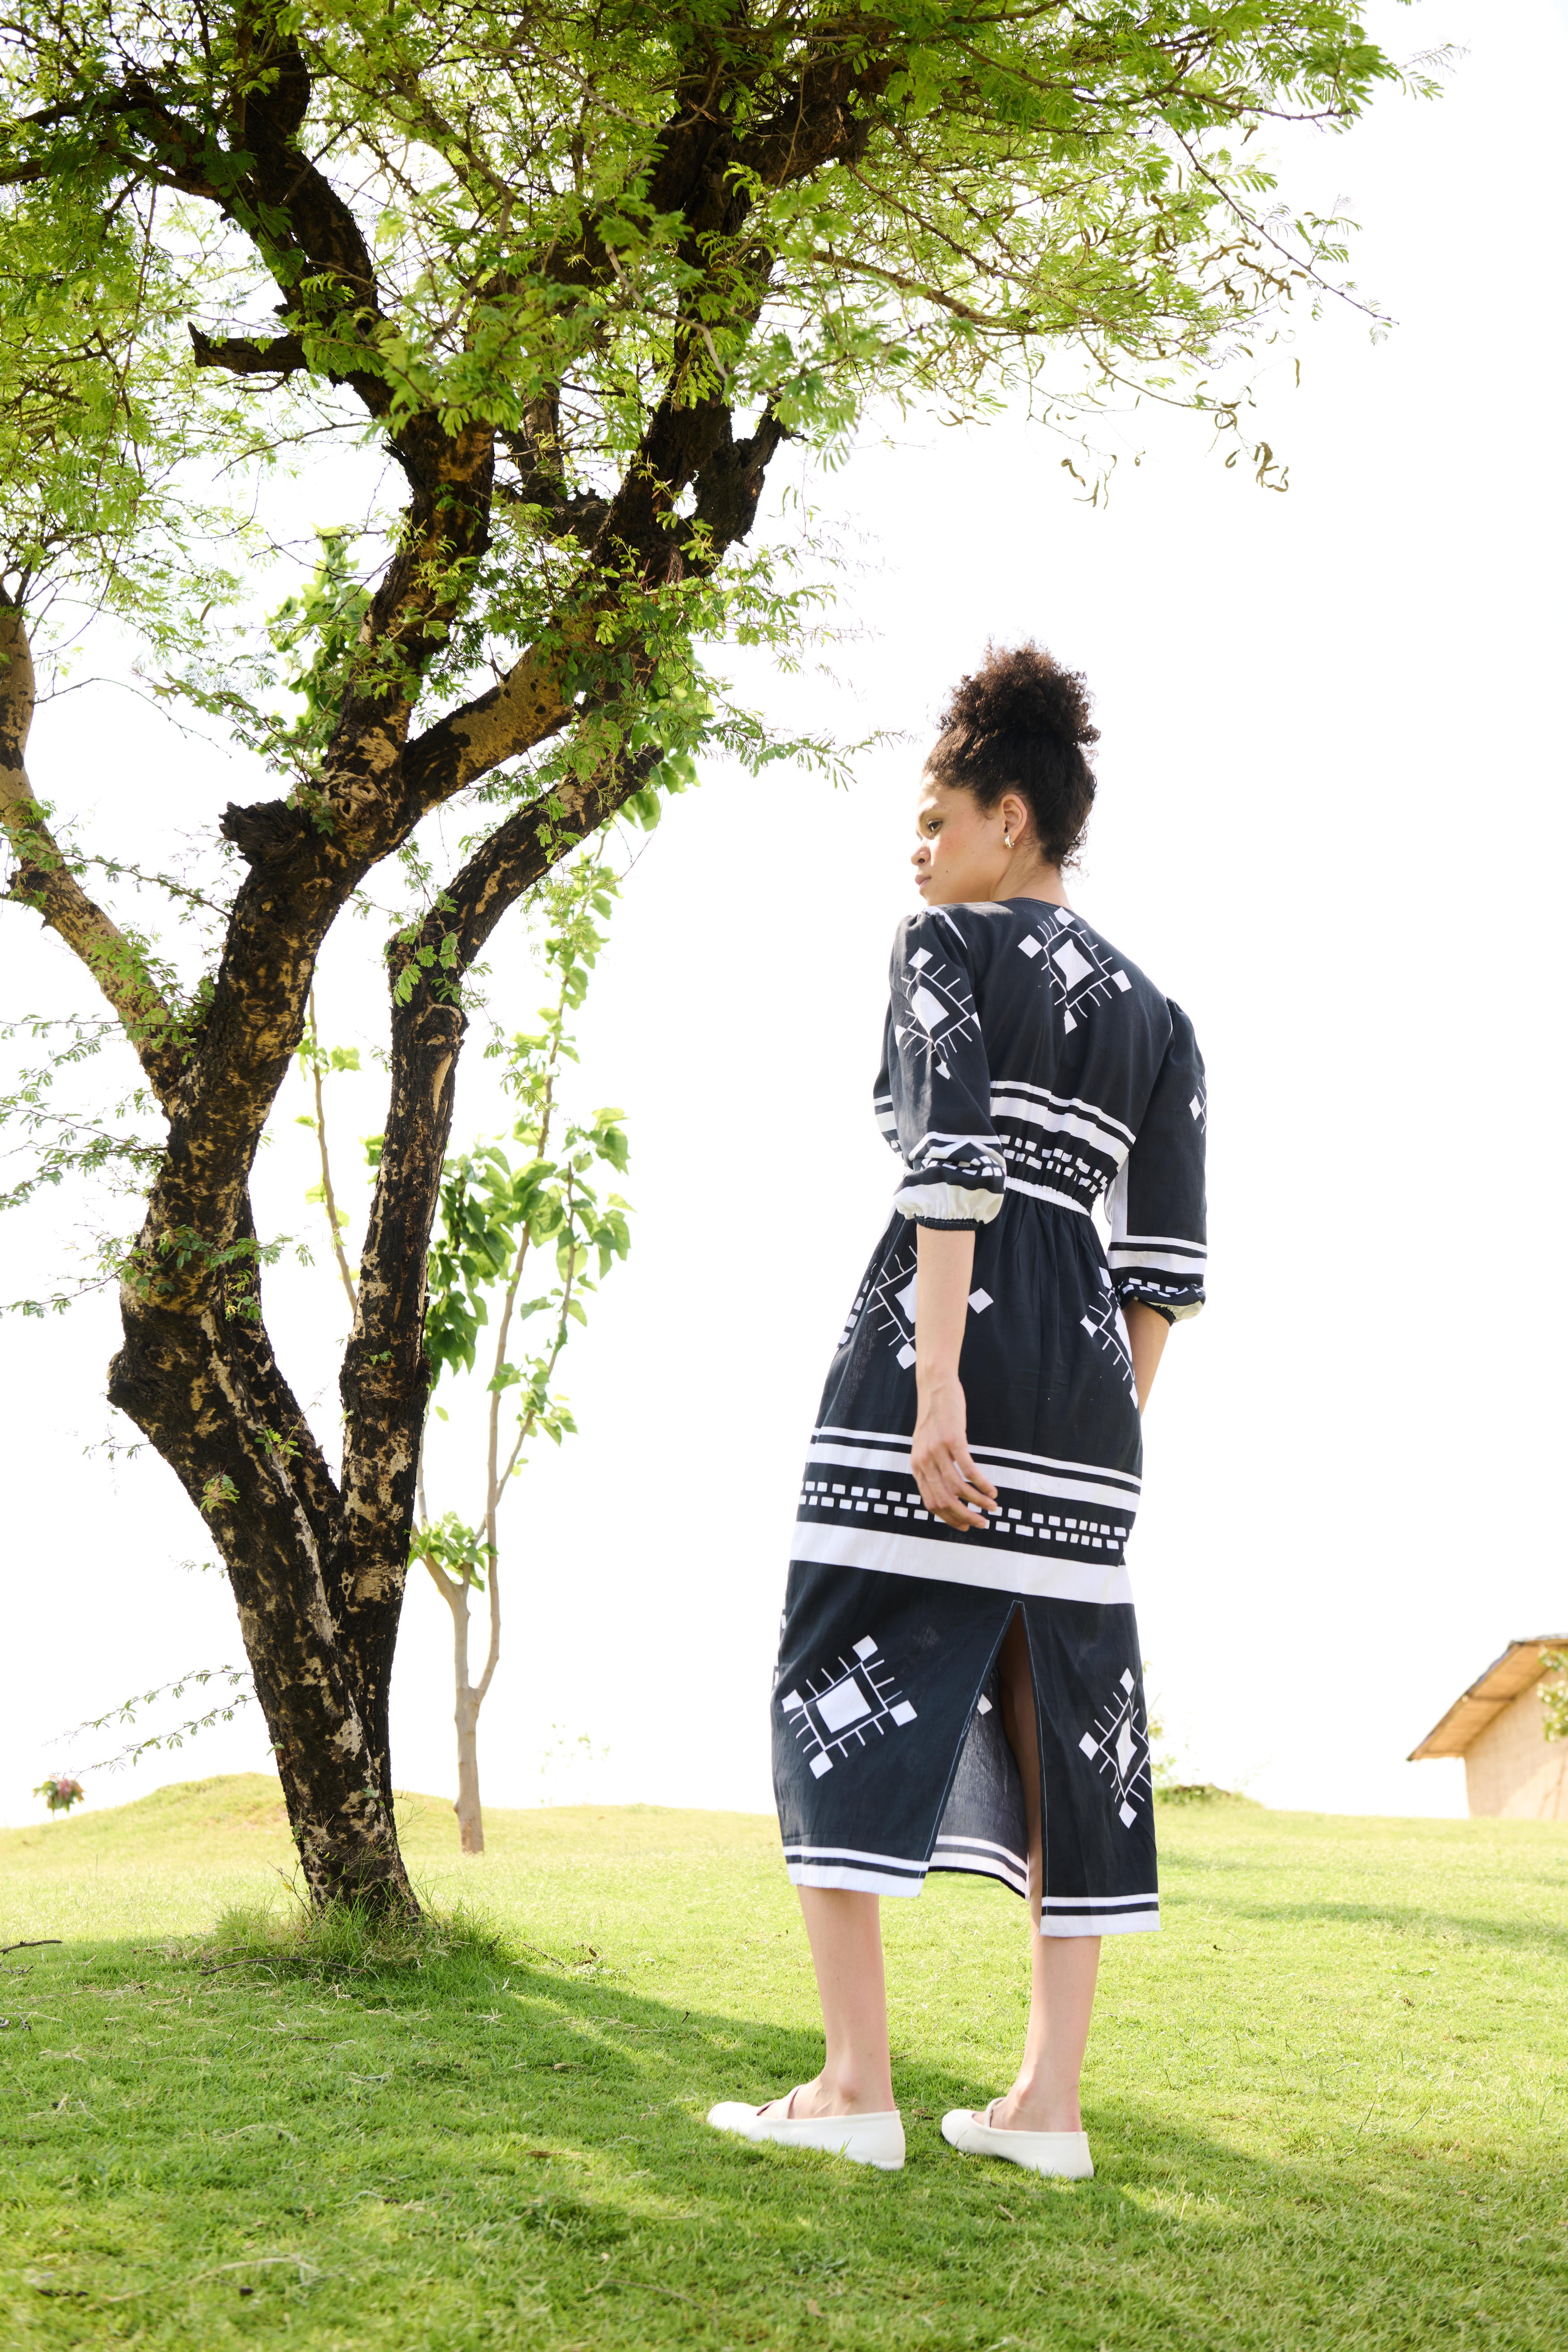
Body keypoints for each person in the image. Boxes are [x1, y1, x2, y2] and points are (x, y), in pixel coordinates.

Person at [707, 642, 1207, 2178]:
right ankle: (1044, 2107)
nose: (916, 851)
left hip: (940, 1349)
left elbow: (950, 1165)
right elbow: (1162, 1267)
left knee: (825, 1665)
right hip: (1090, 1398)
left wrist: (936, 1387)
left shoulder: (940, 946)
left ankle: (854, 2084)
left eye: (933, 819)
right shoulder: (1162, 1016)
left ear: (1008, 816)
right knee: (1070, 1726)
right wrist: (1104, 1436)